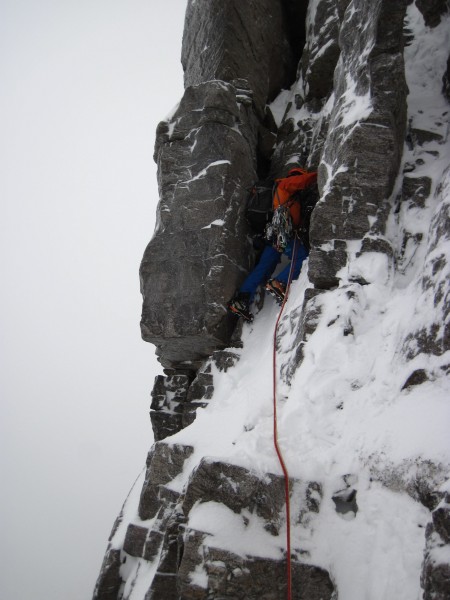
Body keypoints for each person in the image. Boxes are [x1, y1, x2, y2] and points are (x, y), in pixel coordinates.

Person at [227, 167, 317, 322]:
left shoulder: (278, 192)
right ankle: (280, 283)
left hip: (272, 234)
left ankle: (241, 300)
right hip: (283, 233)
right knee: (302, 257)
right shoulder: (285, 184)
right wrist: (318, 174)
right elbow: (302, 181)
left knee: (264, 266)